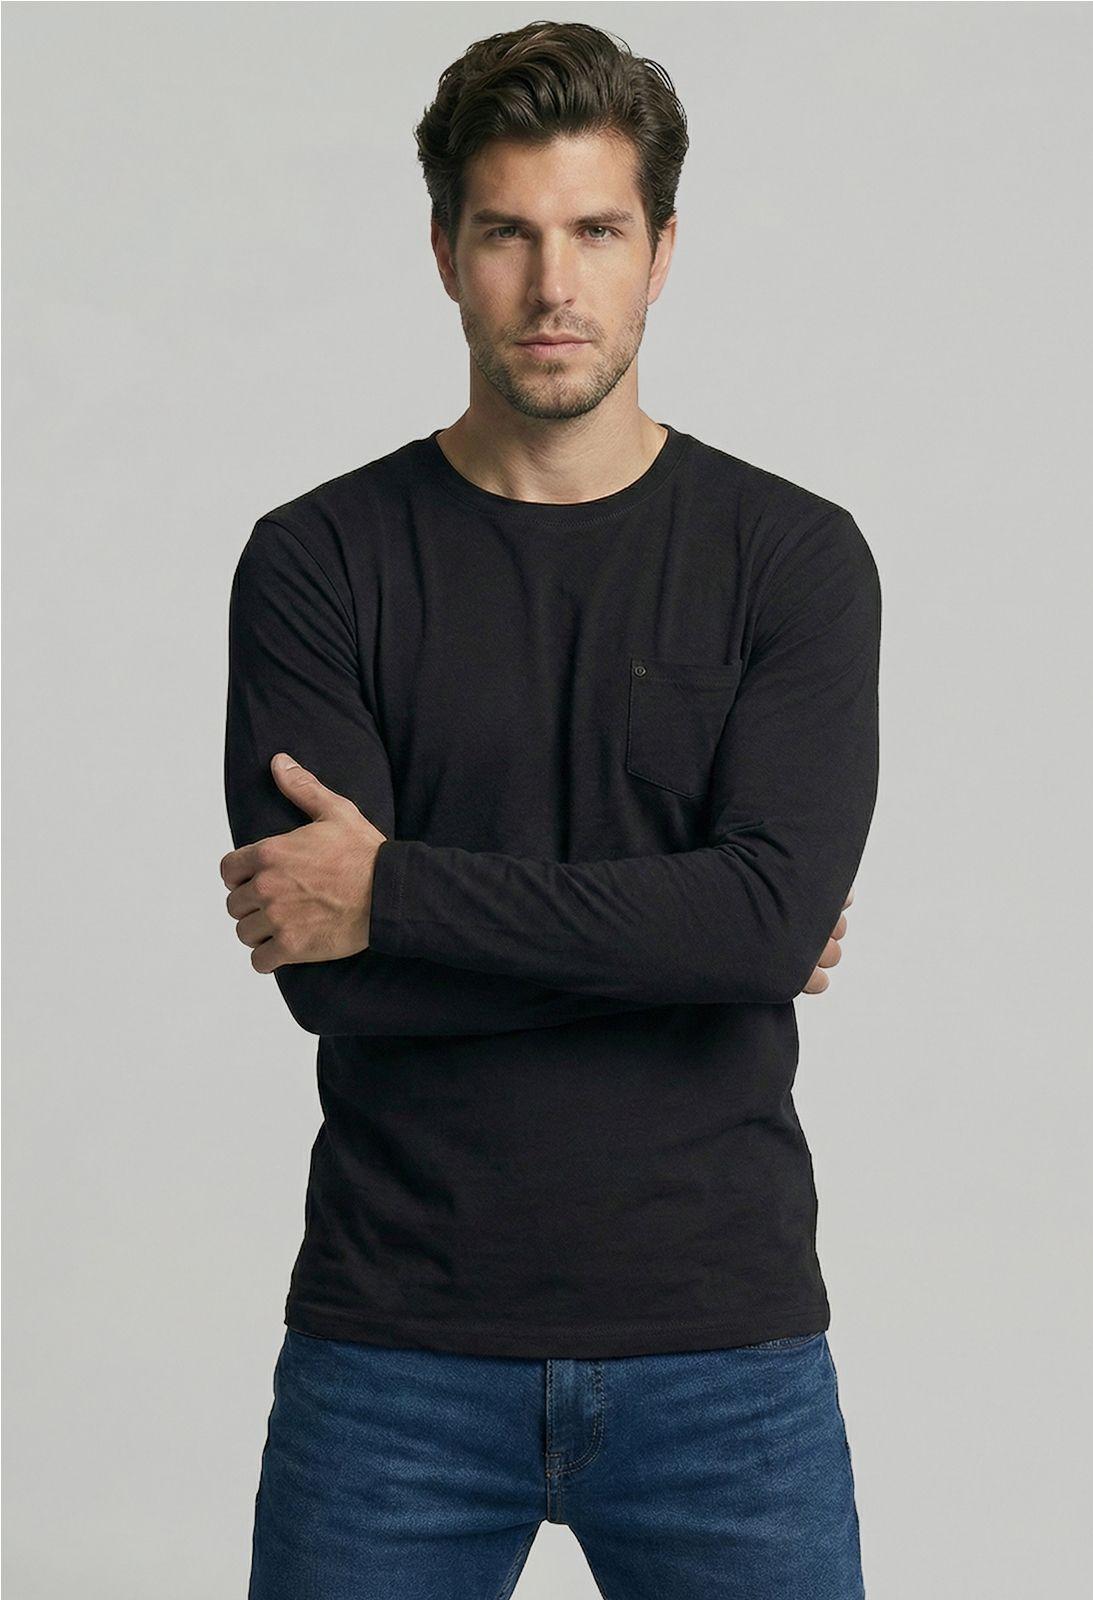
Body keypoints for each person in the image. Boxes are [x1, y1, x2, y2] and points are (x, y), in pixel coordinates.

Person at [221, 19, 879, 1599]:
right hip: (394, 1353)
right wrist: (696, 937)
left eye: (596, 231)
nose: (552, 284)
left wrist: (398, 892)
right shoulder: (320, 563)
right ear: (445, 251)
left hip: (725, 1355)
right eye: (508, 233)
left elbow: (760, 924)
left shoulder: (790, 558)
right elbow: (331, 979)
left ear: (664, 251)